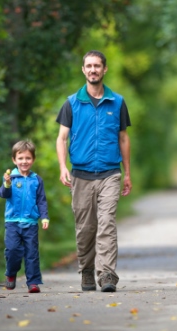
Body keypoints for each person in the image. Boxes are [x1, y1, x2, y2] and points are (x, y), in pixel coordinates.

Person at [56, 50, 132, 293]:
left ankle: (107, 274)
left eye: (97, 66)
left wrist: (127, 173)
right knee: (85, 228)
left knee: (107, 223)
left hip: (110, 172)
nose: (93, 70)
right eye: (88, 66)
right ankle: (87, 270)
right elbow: (61, 139)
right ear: (83, 70)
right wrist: (62, 167)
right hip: (81, 175)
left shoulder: (117, 102)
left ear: (104, 69)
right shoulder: (72, 103)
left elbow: (123, 138)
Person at [0, 140, 49, 293]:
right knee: (13, 250)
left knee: (32, 253)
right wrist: (6, 184)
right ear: (14, 160)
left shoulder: (36, 179)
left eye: (27, 158)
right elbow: (3, 194)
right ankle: (11, 274)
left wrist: (44, 217)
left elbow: (41, 200)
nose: (24, 161)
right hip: (12, 222)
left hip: (31, 222)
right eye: (20, 158)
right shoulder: (10, 177)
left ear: (33, 159)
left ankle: (33, 282)